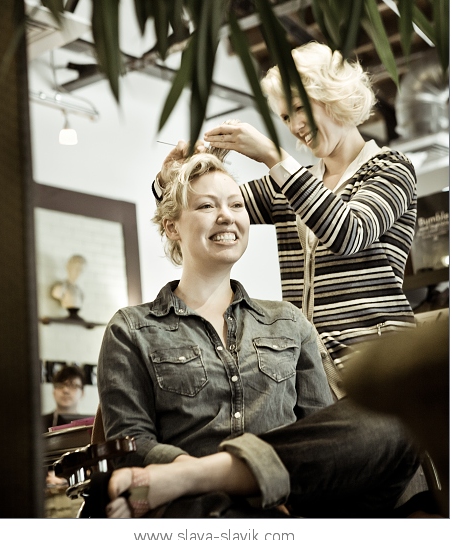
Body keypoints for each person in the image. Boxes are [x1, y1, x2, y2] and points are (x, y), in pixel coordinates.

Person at [99, 153, 418, 519]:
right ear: (172, 227)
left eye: (236, 204)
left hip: (288, 500)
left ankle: (203, 477)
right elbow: (130, 442)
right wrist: (189, 472)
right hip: (195, 509)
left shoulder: (288, 321)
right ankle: (204, 482)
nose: (227, 215)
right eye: (206, 205)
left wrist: (213, 475)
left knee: (396, 418)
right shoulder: (131, 329)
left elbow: (319, 433)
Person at [154, 42, 417, 397]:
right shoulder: (291, 185)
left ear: (333, 95)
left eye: (298, 108)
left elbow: (348, 233)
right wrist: (172, 177)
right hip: (312, 369)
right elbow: (212, 211)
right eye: (284, 117)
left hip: (382, 366)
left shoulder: (390, 169)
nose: (294, 126)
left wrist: (272, 156)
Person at [42, 364, 86, 433]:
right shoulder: (39, 423)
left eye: (73, 385)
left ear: (82, 393)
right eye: (60, 385)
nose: (66, 390)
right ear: (54, 392)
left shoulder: (88, 426)